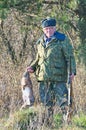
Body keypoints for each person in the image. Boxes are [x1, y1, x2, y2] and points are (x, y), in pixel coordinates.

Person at [27, 18, 76, 119]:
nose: (48, 31)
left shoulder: (62, 40)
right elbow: (38, 58)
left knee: (64, 102)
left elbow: (70, 57)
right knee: (46, 104)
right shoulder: (40, 42)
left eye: (50, 28)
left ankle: (68, 123)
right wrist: (32, 67)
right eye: (46, 29)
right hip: (44, 78)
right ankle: (48, 124)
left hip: (59, 77)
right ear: (43, 30)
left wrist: (72, 72)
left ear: (55, 28)